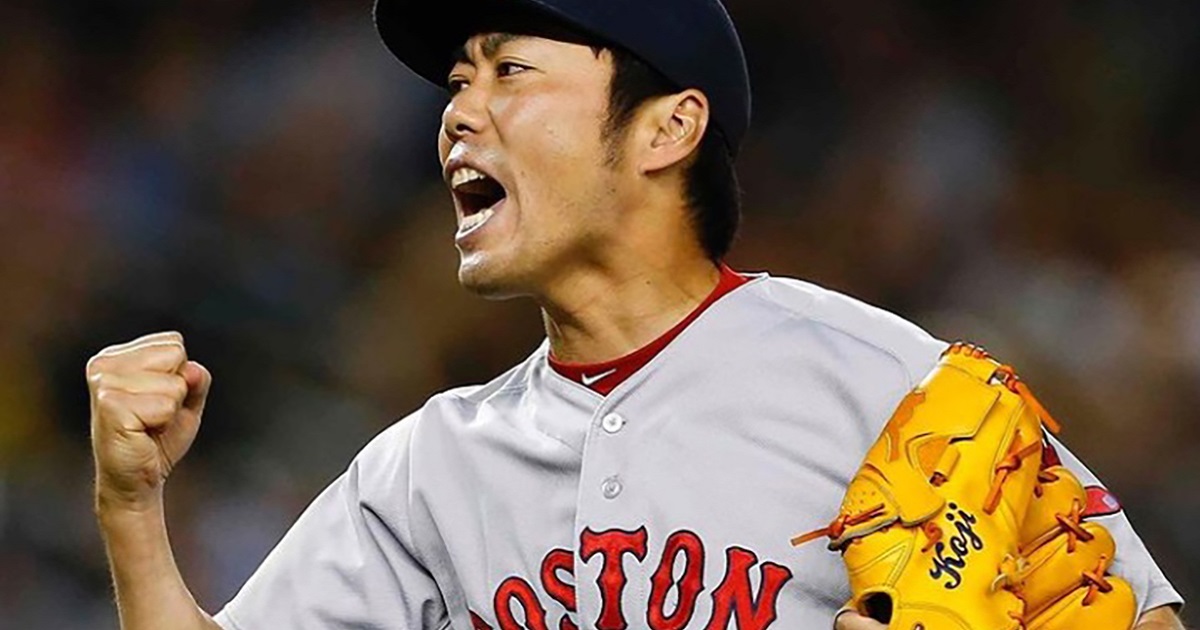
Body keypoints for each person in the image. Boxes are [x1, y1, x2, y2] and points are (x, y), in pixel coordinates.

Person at [87, 0, 1186, 628]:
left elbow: (1138, 614)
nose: (459, 113)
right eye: (457, 83)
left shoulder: (892, 386)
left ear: (667, 129)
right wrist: (132, 510)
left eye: (510, 72)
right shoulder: (427, 467)